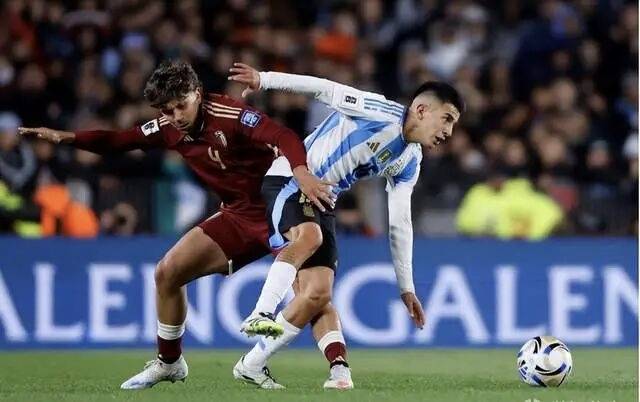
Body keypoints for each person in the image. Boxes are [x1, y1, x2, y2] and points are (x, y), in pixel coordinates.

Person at [19, 59, 333, 390]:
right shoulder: (167, 127)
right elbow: (120, 141)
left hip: (280, 208)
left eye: (181, 105)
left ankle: (338, 370)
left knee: (314, 293)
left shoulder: (229, 114)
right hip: (238, 215)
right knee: (167, 272)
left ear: (197, 93)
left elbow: (282, 135)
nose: (176, 116)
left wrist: (301, 172)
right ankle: (169, 363)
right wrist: (66, 137)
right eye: (167, 110)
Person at [228, 62, 464, 389]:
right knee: (309, 237)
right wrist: (265, 79)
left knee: (317, 294)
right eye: (447, 119)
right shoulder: (378, 111)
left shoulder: (410, 160)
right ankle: (262, 312)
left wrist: (406, 286)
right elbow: (325, 89)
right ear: (422, 110)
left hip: (323, 201)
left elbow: (400, 222)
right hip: (291, 179)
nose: (449, 132)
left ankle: (254, 364)